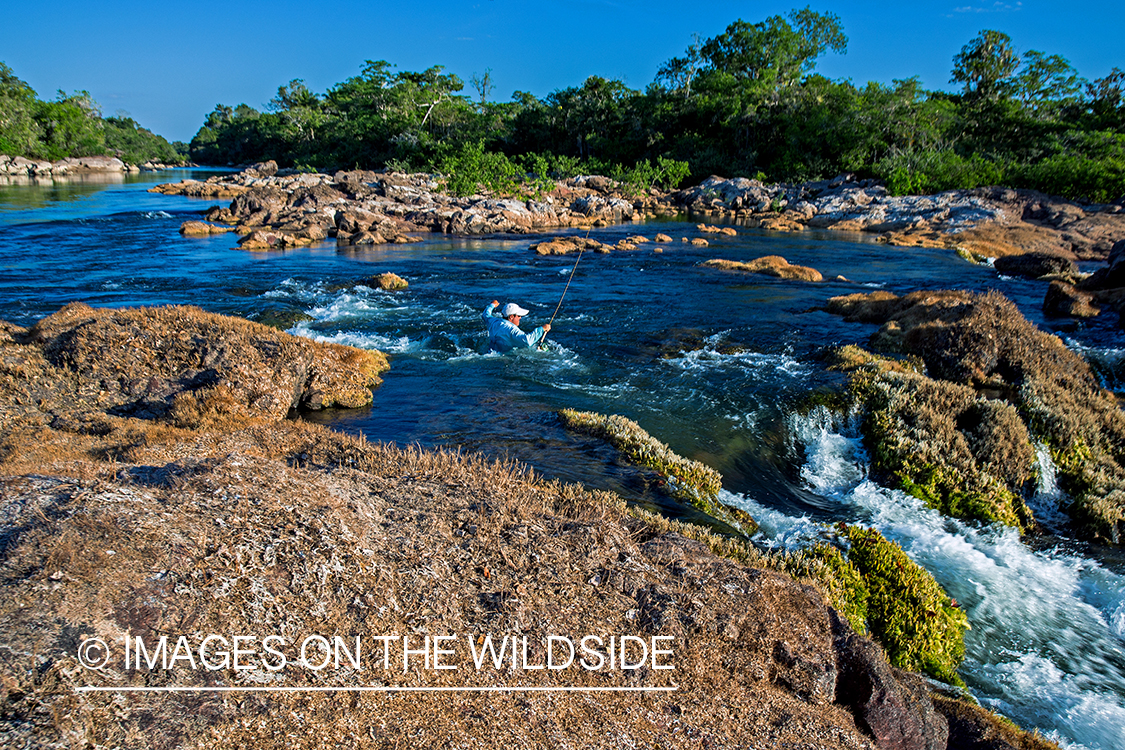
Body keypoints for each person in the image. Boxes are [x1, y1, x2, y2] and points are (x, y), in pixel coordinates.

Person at [481, 300, 551, 353]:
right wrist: (542, 329)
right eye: (518, 315)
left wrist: (492, 305)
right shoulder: (511, 329)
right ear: (511, 317)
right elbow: (528, 341)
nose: (520, 317)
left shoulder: (494, 322)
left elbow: (485, 315)